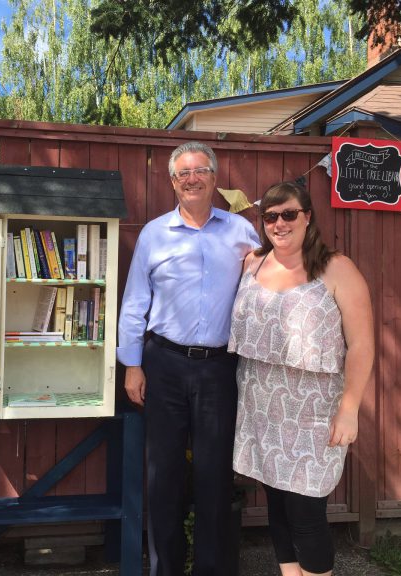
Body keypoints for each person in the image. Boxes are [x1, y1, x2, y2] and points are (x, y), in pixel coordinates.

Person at [117, 141, 259, 576]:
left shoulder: (242, 232)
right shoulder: (154, 234)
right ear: (172, 182)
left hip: (219, 368)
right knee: (164, 477)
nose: (192, 179)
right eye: (183, 173)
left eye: (200, 170)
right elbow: (135, 301)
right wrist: (133, 364)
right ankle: (167, 569)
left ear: (214, 178)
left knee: (215, 477)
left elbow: (268, 287)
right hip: (164, 366)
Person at [228, 181, 374, 576]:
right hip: (262, 405)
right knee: (276, 508)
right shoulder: (252, 263)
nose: (279, 223)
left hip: (313, 411)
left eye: (289, 213)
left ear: (307, 217)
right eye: (271, 216)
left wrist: (350, 409)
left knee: (306, 512)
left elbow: (361, 345)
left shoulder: (336, 269)